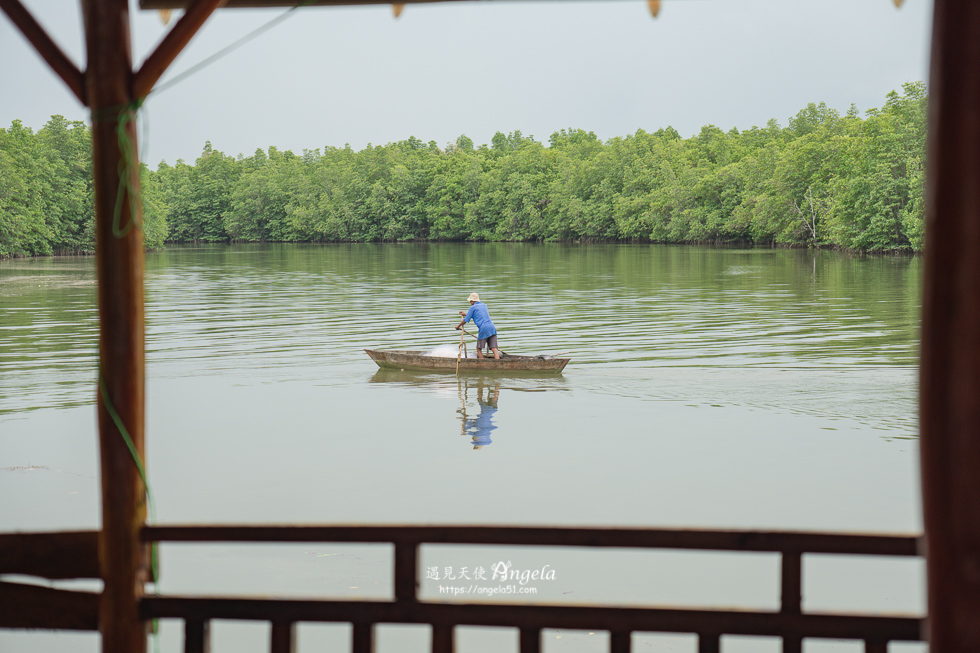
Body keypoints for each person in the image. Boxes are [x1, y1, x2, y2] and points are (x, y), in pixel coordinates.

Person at [455, 292, 500, 359]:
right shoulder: (484, 305)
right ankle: (498, 363)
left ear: (472, 301)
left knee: (478, 348)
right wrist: (465, 314)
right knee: (494, 348)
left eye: (470, 301)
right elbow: (478, 315)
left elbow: (466, 320)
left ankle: (482, 363)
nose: (470, 302)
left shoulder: (472, 307)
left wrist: (458, 326)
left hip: (484, 328)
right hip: (492, 327)